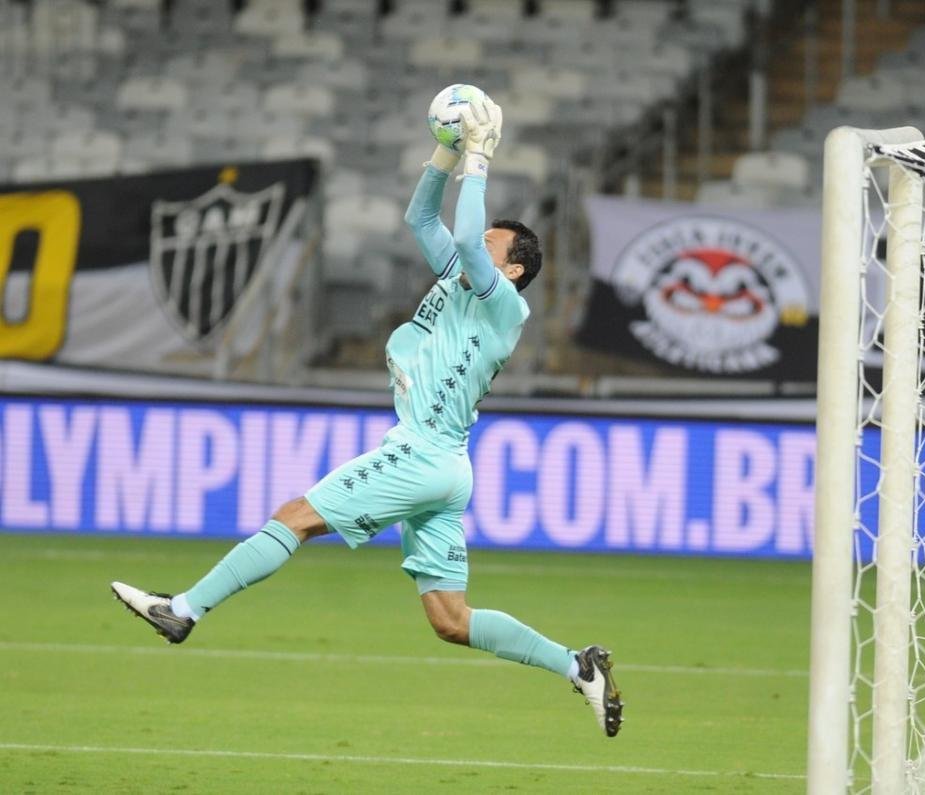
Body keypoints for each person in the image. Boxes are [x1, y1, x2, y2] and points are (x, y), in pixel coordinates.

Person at [111, 93, 624, 738]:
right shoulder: (462, 280)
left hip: (421, 450)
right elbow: (420, 218)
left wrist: (480, 154)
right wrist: (445, 148)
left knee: (293, 517)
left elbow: (467, 234)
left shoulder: (501, 306)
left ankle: (183, 609)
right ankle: (577, 667)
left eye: (492, 245)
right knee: (450, 619)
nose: (476, 247)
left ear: (511, 268)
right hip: (445, 464)